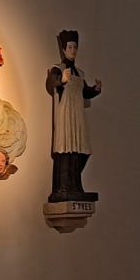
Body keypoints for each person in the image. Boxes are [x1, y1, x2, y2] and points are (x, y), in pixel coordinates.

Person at [46, 30, 101, 201]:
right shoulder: (58, 69)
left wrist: (95, 90)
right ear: (64, 49)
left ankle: (75, 185)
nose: (73, 50)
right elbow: (51, 82)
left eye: (75, 47)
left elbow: (84, 91)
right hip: (65, 115)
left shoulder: (79, 73)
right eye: (70, 47)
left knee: (80, 149)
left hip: (77, 116)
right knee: (66, 148)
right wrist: (61, 80)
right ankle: (63, 187)